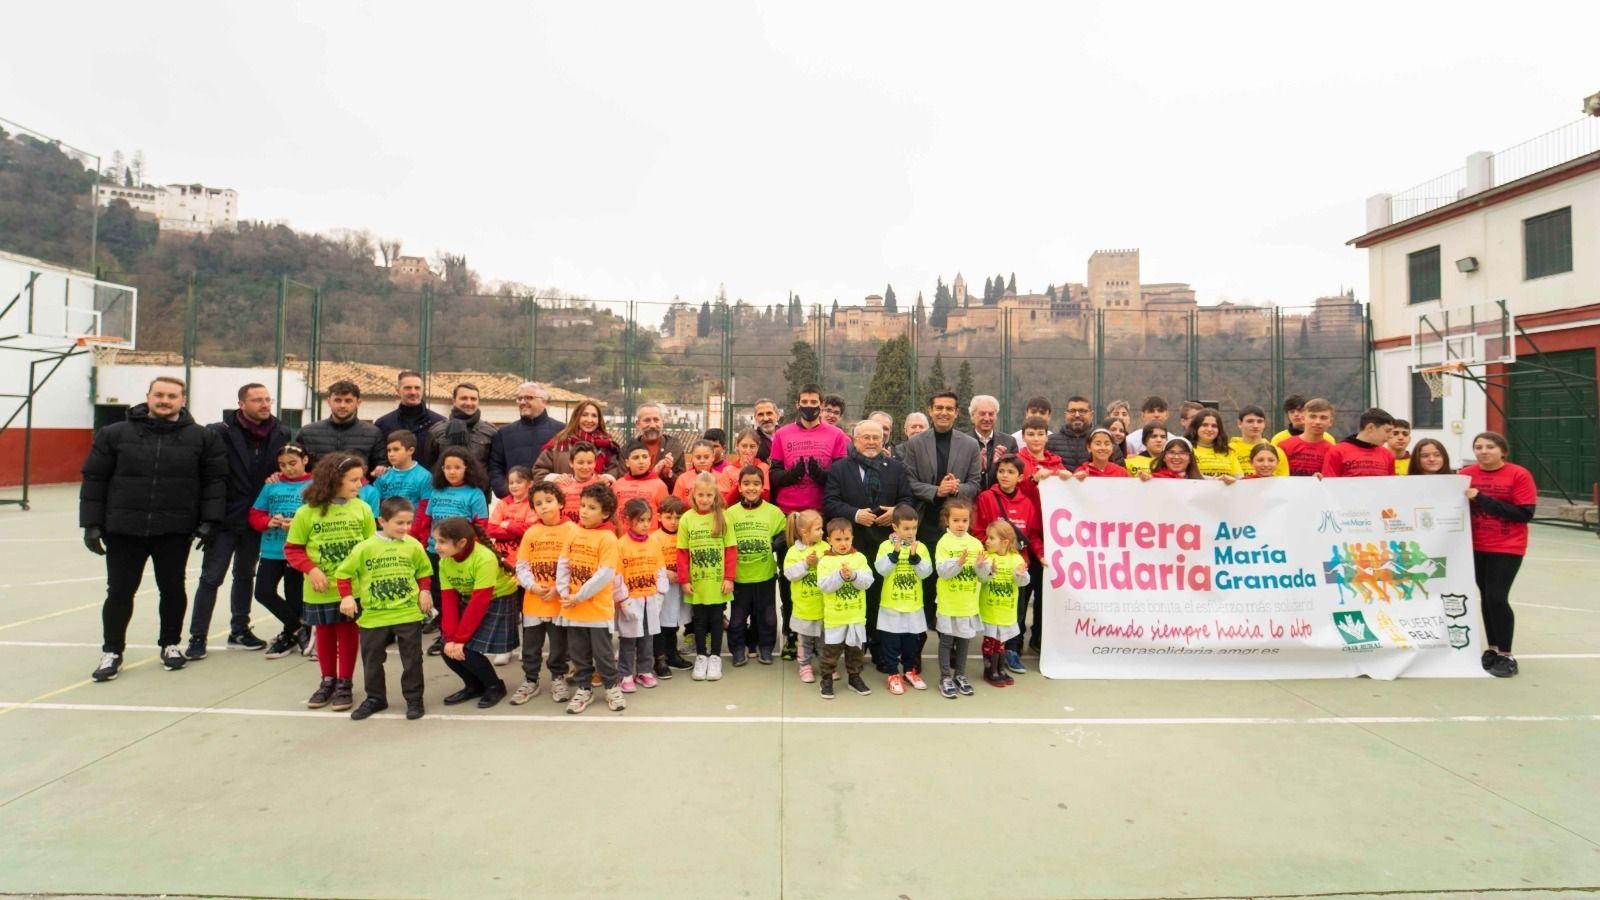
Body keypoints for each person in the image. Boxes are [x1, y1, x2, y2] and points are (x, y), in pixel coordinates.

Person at [82, 376, 227, 682]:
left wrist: (209, 521)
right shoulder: (114, 434)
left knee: (172, 589)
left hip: (174, 529)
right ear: (148, 396)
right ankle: (112, 651)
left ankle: (171, 645)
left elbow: (214, 482)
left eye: (172, 396)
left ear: (182, 400)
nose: (165, 400)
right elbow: (95, 480)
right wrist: (91, 524)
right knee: (119, 591)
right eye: (159, 394)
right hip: (123, 528)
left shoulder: (202, 438)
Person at [186, 383, 290, 660]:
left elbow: (284, 467)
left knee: (245, 575)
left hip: (255, 520)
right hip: (223, 519)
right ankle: (197, 636)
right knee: (211, 578)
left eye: (268, 399)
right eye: (257, 400)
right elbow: (204, 476)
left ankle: (239, 630)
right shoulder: (218, 432)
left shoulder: (281, 432)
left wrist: (278, 476)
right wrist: (204, 517)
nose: (265, 404)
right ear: (241, 404)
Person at [284, 454, 376, 711]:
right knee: (324, 632)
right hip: (320, 589)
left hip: (353, 588)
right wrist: (311, 570)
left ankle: (345, 682)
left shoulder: (362, 509)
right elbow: (293, 549)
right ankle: (328, 680)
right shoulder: (306, 513)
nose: (359, 485)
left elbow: (371, 547)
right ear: (334, 480)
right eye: (353, 480)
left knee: (347, 632)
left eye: (361, 479)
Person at [823, 419, 914, 672]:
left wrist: (896, 512)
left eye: (877, 437)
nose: (872, 442)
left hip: (886, 546)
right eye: (866, 437)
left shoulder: (896, 468)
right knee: (854, 597)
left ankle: (880, 650)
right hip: (853, 546)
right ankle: (852, 652)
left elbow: (908, 500)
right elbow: (830, 502)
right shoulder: (840, 468)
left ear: (883, 439)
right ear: (855, 440)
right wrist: (854, 514)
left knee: (879, 599)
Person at [768, 383, 851, 659]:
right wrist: (790, 476)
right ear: (797, 403)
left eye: (814, 401)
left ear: (821, 404)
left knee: (822, 577)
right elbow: (774, 476)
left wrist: (821, 476)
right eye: (804, 401)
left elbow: (841, 478)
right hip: (789, 517)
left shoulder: (836, 435)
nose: (809, 405)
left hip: (821, 517)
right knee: (790, 578)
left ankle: (821, 637)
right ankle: (791, 635)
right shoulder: (782, 434)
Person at [335, 497, 433, 721]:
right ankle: (375, 698)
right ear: (382, 521)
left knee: (412, 660)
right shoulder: (365, 548)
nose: (406, 528)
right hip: (374, 616)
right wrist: (347, 597)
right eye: (400, 523)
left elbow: (423, 572)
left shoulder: (413, 545)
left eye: (409, 523)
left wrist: (424, 591)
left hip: (407, 613)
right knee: (372, 660)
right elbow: (343, 574)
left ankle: (414, 698)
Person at [900, 391, 983, 634]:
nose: (943, 412)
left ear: (957, 413)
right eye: (939, 408)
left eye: (949, 408)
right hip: (925, 519)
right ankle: (922, 625)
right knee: (926, 576)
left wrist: (956, 488)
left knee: (952, 574)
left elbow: (975, 483)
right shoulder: (915, 443)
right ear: (930, 410)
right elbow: (909, 481)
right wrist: (937, 490)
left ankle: (949, 629)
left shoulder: (969, 445)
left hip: (955, 523)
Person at [1461, 432, 1536, 678]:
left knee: (1497, 596)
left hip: (1506, 546)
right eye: (1479, 447)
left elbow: (1524, 513)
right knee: (1485, 597)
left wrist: (1481, 498)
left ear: (1502, 451)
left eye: (1490, 447)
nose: (1484, 451)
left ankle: (1506, 654)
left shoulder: (1519, 474)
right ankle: (1492, 649)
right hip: (1475, 545)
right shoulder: (1465, 474)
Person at [434, 517, 521, 709]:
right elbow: (448, 601)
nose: (436, 547)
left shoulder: (484, 558)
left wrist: (461, 639)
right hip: (471, 599)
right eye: (435, 541)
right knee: (446, 648)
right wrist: (450, 637)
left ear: (462, 543)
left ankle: (494, 686)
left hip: (498, 599)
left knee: (467, 649)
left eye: (442, 542)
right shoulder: (445, 562)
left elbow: (479, 602)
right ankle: (474, 685)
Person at [412, 447, 492, 654]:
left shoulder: (475, 494)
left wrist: (472, 551)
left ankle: (462, 634)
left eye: (457, 467)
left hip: (460, 555)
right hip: (434, 550)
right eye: (447, 467)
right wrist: (425, 543)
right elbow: (426, 521)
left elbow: (481, 525)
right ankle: (444, 634)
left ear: (467, 468)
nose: (452, 472)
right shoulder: (436, 491)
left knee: (456, 596)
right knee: (439, 595)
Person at [557, 484, 625, 713]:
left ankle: (611, 686)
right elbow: (563, 563)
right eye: (583, 505)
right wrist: (564, 591)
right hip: (573, 608)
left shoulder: (608, 538)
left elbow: (604, 574)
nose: (584, 511)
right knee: (579, 653)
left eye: (592, 508)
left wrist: (579, 596)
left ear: (605, 513)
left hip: (596, 610)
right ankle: (584, 688)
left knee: (603, 653)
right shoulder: (573, 531)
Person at [975, 455, 1045, 671]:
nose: (1005, 475)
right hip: (993, 569)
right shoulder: (987, 497)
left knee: (1017, 610)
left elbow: (1032, 535)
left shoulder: (1026, 503)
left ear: (1021, 477)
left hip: (1017, 567)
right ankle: (991, 656)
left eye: (1011, 472)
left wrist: (1041, 555)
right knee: (992, 610)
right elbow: (978, 531)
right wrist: (987, 558)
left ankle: (1011, 651)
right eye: (1001, 471)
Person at [510, 482, 575, 706]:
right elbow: (522, 566)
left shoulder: (572, 530)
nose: (544, 507)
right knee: (531, 646)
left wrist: (558, 588)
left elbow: (576, 565)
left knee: (558, 646)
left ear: (561, 503)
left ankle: (558, 677)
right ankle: (531, 680)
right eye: (538, 504)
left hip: (559, 602)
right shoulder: (531, 532)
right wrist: (533, 587)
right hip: (534, 602)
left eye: (549, 501)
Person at [251, 443, 313, 659]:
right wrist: (269, 521)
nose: (288, 468)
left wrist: (298, 524)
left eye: (293, 463)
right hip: (272, 549)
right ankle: (299, 629)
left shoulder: (315, 485)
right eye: (283, 465)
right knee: (263, 592)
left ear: (305, 460)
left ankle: (288, 636)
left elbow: (321, 516)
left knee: (294, 595)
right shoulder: (271, 486)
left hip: (298, 551)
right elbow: (255, 515)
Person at [677, 473, 736, 682]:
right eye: (700, 494)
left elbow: (730, 549)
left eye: (708, 495)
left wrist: (729, 578)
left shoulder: (724, 517)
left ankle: (715, 658)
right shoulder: (686, 519)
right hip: (697, 583)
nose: (704, 499)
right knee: (699, 621)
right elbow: (682, 552)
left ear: (715, 495)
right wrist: (684, 580)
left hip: (718, 582)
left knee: (717, 621)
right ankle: (701, 656)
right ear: (693, 494)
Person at [726, 465, 787, 666]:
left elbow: (785, 534)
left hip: (765, 575)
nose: (751, 488)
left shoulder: (773, 512)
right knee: (737, 616)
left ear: (762, 487)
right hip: (740, 576)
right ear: (740, 487)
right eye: (746, 484)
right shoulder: (730, 513)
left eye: (756, 484)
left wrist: (774, 544)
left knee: (767, 615)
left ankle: (766, 647)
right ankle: (737, 648)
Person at [872, 505, 932, 694]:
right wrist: (895, 554)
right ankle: (892, 674)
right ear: (895, 527)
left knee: (911, 642)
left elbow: (926, 573)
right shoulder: (885, 546)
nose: (910, 532)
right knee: (891, 641)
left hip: (913, 604)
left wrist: (916, 559)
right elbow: (881, 570)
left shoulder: (920, 547)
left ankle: (909, 671)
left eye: (914, 528)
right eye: (906, 528)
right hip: (892, 605)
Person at [815, 517, 875, 699]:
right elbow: (824, 586)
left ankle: (854, 678)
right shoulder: (825, 561)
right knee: (830, 652)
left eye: (847, 539)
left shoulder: (859, 558)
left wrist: (854, 575)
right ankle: (826, 679)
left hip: (855, 617)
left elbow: (868, 582)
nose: (843, 543)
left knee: (855, 652)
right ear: (829, 540)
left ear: (852, 538)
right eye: (838, 540)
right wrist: (840, 576)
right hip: (835, 618)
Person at [615, 498, 668, 693]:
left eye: (648, 520)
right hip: (631, 601)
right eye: (640, 520)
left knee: (647, 638)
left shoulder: (654, 542)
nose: (645, 524)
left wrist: (661, 593)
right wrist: (623, 600)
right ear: (628, 520)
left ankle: (644, 670)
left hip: (650, 600)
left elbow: (661, 569)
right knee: (628, 640)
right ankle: (625, 674)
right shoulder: (621, 545)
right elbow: (617, 576)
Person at [933, 497, 984, 699]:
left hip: (968, 604)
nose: (960, 524)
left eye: (964, 520)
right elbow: (943, 572)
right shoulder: (943, 543)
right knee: (946, 642)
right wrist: (959, 562)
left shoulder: (976, 543)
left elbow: (982, 575)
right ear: (947, 521)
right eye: (956, 520)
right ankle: (945, 677)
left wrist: (985, 568)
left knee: (964, 642)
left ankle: (960, 675)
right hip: (949, 603)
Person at [487, 382, 564, 498]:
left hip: (551, 501)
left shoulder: (562, 431)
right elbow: (495, 466)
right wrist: (505, 493)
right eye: (520, 398)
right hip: (515, 502)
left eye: (528, 398)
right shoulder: (504, 433)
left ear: (543, 401)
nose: (523, 402)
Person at [978, 520, 1028, 688]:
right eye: (987, 537)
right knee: (990, 641)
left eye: (991, 538)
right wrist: (988, 570)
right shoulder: (987, 557)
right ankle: (990, 670)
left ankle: (1000, 668)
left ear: (1005, 542)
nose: (987, 541)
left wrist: (1020, 575)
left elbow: (1022, 582)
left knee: (1001, 642)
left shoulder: (1016, 558)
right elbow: (981, 578)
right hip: (990, 609)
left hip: (1006, 609)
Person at [296, 379, 386, 470]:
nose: (342, 405)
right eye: (337, 400)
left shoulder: (373, 434)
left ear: (358, 403)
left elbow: (381, 468)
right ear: (329, 401)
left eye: (348, 401)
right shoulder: (307, 433)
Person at [782, 510, 827, 683]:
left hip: (824, 607)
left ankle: (826, 666)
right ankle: (805, 666)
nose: (822, 532)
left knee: (824, 641)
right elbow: (789, 574)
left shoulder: (825, 548)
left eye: (821, 528)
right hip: (804, 608)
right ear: (805, 532)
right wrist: (805, 564)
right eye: (818, 529)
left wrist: (821, 562)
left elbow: (831, 568)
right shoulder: (794, 551)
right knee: (805, 642)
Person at [652, 496, 693, 675]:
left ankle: (672, 654)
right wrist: (665, 573)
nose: (673, 522)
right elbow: (650, 561)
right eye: (669, 517)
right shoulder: (654, 538)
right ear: (659, 517)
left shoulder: (685, 535)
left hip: (680, 584)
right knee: (661, 623)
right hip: (663, 587)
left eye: (678, 518)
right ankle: (659, 659)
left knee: (674, 622)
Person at [534, 399, 619, 482]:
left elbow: (615, 469)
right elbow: (539, 471)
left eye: (594, 416)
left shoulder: (607, 445)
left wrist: (608, 478)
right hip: (564, 494)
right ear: (576, 417)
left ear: (599, 419)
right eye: (584, 415)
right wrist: (555, 479)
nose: (589, 420)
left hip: (598, 494)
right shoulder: (559, 443)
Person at [374, 371, 444, 470]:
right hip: (394, 483)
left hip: (430, 483)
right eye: (407, 388)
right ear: (397, 390)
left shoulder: (440, 423)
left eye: (417, 388)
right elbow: (380, 459)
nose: (413, 392)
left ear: (423, 390)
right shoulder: (383, 424)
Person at [424, 382, 497, 471]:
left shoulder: (490, 432)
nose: (469, 403)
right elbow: (430, 465)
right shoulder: (437, 431)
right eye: (464, 398)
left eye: (473, 399)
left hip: (479, 484)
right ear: (454, 401)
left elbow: (495, 467)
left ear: (478, 402)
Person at [609, 403, 686, 487]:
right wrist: (654, 473)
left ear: (663, 422)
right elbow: (624, 480)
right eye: (647, 420)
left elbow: (682, 481)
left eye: (656, 420)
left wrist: (668, 473)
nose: (652, 425)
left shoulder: (674, 447)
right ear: (638, 424)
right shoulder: (627, 449)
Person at [1322, 407, 1397, 478]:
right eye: (1387, 431)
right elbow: (1329, 486)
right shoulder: (1337, 452)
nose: (1391, 436)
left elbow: (1390, 486)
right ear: (1370, 428)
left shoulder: (1388, 455)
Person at [612, 441, 670, 530]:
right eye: (636, 458)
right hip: (622, 540)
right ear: (627, 462)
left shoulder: (659, 485)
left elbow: (665, 515)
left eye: (645, 457)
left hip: (650, 540)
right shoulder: (617, 485)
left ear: (650, 460)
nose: (641, 461)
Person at [485, 466, 537, 566]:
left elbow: (530, 530)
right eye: (511, 483)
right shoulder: (502, 503)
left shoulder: (533, 504)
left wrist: (508, 525)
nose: (514, 486)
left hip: (524, 554)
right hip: (501, 554)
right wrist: (517, 531)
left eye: (519, 482)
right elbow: (491, 529)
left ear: (530, 484)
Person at [1276, 398, 1336, 476]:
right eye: (1313, 417)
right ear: (1303, 418)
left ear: (1330, 422)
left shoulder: (1333, 451)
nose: (1317, 422)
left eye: (1323, 418)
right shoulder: (1283, 446)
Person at [968, 394, 1017, 490]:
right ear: (972, 416)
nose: (987, 418)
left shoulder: (1009, 442)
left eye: (991, 414)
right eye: (982, 414)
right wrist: (978, 468)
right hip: (971, 501)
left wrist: (1000, 465)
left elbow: (1014, 477)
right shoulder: (963, 442)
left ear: (996, 416)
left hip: (999, 500)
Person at [375, 431, 433, 508]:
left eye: (396, 449)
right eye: (389, 450)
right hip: (387, 519)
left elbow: (426, 505)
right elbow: (375, 503)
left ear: (410, 450)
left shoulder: (424, 476)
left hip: (413, 519)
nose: (391, 454)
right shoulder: (383, 475)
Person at [717, 429, 771, 505]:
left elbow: (766, 498)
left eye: (752, 446)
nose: (748, 450)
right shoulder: (728, 470)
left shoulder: (764, 468)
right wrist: (742, 477)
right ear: (737, 446)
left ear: (757, 448)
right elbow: (725, 502)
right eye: (744, 446)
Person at [1230, 406, 1288, 476]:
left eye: (1260, 421)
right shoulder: (1229, 450)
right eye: (1250, 421)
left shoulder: (1277, 451)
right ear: (1239, 423)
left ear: (1264, 424)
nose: (1255, 425)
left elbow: (1283, 481)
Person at [555, 442, 605, 523]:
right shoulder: (561, 484)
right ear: (571, 463)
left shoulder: (602, 484)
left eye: (589, 462)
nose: (585, 467)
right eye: (580, 463)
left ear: (595, 463)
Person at [1186, 410, 1243, 480]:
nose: (1210, 429)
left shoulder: (1229, 452)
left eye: (1214, 426)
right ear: (1196, 427)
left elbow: (1240, 480)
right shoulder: (1187, 450)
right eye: (1205, 425)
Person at [1045, 395, 1094, 470]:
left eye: (1082, 411)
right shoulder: (1049, 442)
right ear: (1065, 415)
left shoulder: (1104, 441)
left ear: (1091, 415)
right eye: (1072, 411)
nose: (1077, 415)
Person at [672, 439, 721, 506]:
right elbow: (676, 504)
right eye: (698, 457)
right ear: (692, 458)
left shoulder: (721, 478)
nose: (702, 461)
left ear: (713, 457)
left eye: (706, 457)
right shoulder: (683, 479)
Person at [1138, 437, 1205, 481]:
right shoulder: (1155, 479)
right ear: (1164, 457)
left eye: (1182, 453)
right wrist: (1146, 481)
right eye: (1171, 452)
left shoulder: (1202, 481)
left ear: (1190, 458)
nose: (1176, 457)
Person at [752, 398, 781, 463]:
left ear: (778, 415)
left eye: (769, 413)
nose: (765, 418)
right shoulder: (752, 440)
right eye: (761, 415)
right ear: (755, 418)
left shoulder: (787, 436)